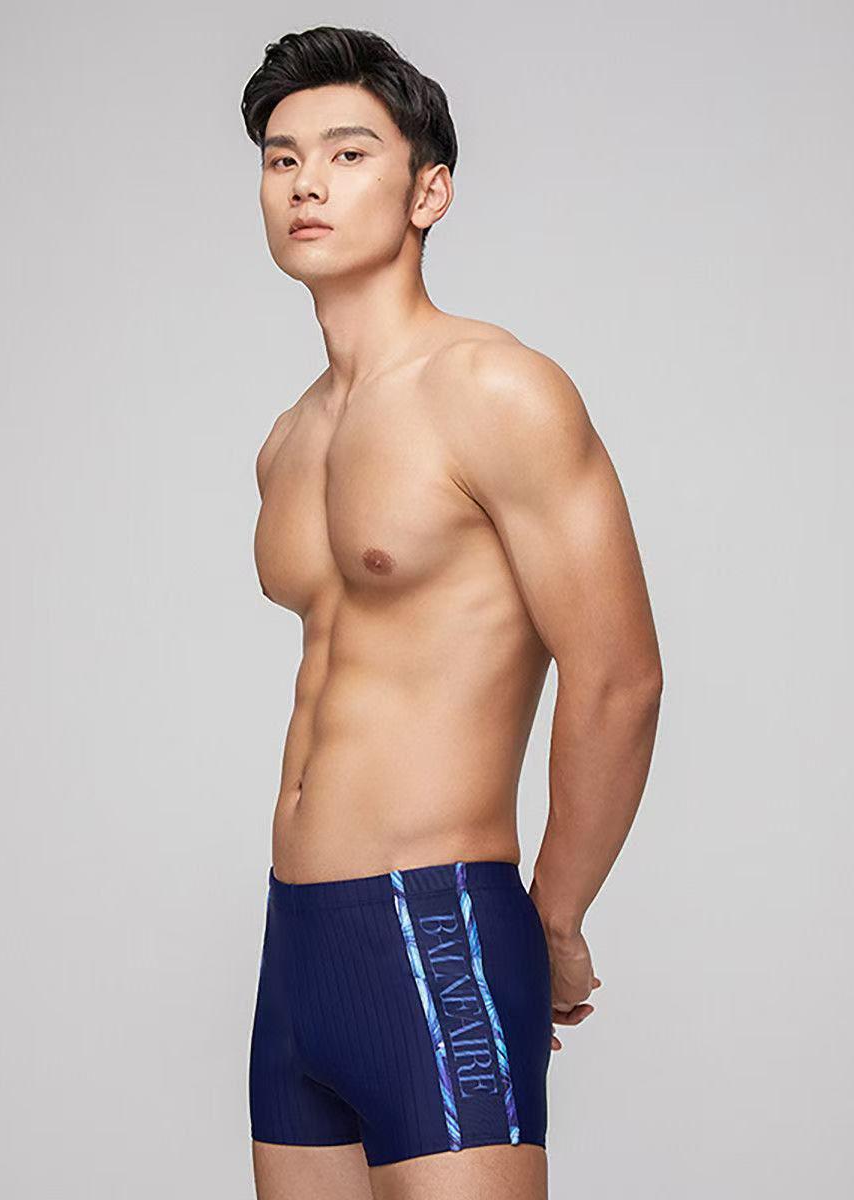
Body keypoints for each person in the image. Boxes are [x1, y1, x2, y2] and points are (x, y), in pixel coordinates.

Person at [239, 26, 662, 1200]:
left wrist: (557, 916)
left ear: (429, 192)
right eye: (281, 160)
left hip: (438, 926)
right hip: (295, 945)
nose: (307, 184)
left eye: (347, 154)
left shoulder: (496, 389)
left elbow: (619, 675)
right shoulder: (289, 441)